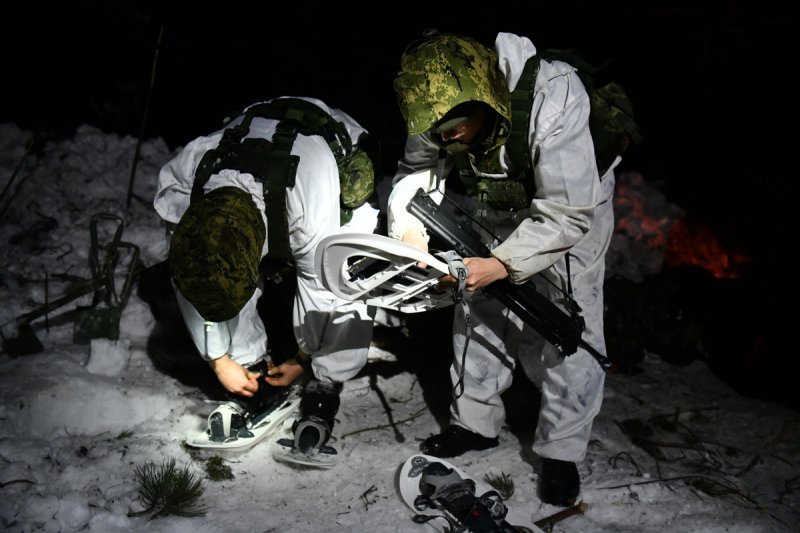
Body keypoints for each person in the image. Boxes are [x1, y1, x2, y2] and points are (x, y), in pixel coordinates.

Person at [387, 31, 617, 506]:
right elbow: (413, 173)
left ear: (485, 99)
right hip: (496, 195)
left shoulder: (552, 94)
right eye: (436, 130)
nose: (445, 137)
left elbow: (568, 212)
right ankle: (475, 423)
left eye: (455, 126)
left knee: (570, 321)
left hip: (573, 201)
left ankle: (561, 450)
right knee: (476, 302)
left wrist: (503, 264)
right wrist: (409, 231)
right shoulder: (431, 102)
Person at [154, 96, 380, 462]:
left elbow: (322, 287)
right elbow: (194, 287)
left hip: (328, 156)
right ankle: (251, 364)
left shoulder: (306, 204)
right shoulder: (185, 201)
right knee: (218, 279)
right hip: (252, 154)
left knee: (348, 271)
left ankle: (327, 381)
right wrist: (220, 359)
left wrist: (304, 358)